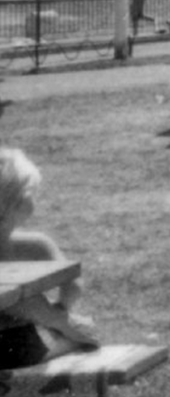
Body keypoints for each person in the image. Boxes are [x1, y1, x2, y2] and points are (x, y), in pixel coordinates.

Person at [0, 148, 98, 368]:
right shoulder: (34, 244)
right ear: (22, 201)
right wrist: (61, 314)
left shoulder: (35, 243)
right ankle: (69, 337)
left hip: (17, 339)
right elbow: (74, 285)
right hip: (21, 343)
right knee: (79, 333)